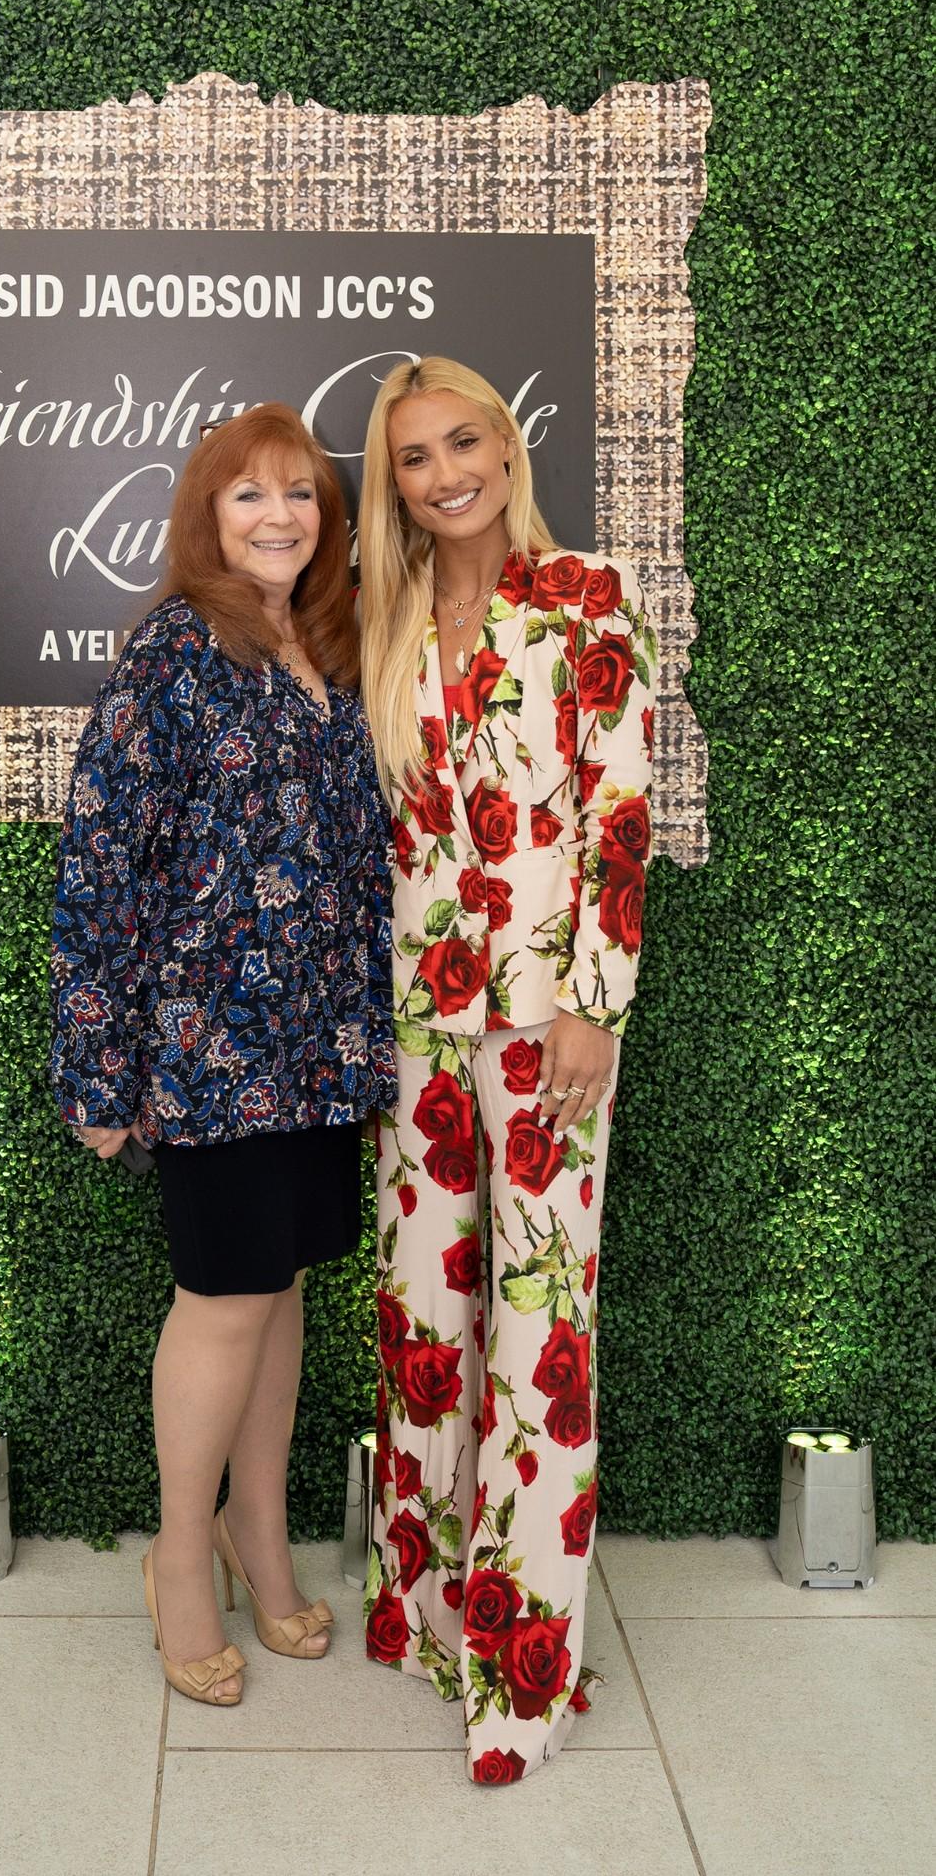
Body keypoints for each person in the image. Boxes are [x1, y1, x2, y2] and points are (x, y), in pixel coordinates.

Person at [50, 403, 396, 1707]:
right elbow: (103, 863)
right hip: (210, 1045)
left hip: (320, 1043)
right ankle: (181, 1564)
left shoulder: (329, 651)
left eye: (300, 494)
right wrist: (97, 1064)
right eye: (250, 494)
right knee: (225, 1298)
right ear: (208, 514)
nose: (279, 516)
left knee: (282, 1287)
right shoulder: (174, 652)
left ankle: (261, 1538)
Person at [356, 356, 657, 1781]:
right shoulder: (387, 612)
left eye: (462, 442)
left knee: (541, 1338)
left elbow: (619, 808)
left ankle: (522, 1684)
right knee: (423, 1317)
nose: (444, 475)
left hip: (549, 1023)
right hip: (417, 1016)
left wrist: (596, 999)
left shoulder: (587, 593)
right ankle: (428, 1618)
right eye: (414, 458)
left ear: (507, 445)